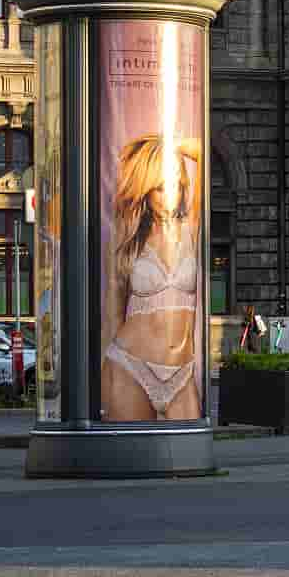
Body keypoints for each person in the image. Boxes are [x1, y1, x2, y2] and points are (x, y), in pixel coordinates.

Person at [101, 133, 204, 422]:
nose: (170, 196)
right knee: (128, 458)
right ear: (145, 190)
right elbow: (113, 315)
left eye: (176, 185)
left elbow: (202, 154)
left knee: (189, 457)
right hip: (128, 365)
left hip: (181, 372)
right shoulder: (128, 237)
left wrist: (171, 146)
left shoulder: (192, 228)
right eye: (160, 187)